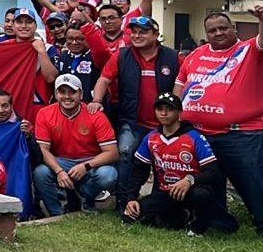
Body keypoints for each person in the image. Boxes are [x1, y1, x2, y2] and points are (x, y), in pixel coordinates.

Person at [176, 8, 263, 234]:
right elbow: (179, 87)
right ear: (206, 33)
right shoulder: (195, 55)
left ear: (233, 29)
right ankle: (219, 221)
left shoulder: (248, 49)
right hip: (198, 133)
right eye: (212, 30)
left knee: (251, 182)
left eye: (223, 28)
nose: (219, 33)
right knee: (207, 183)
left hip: (239, 134)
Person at [90, 15, 179, 214]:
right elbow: (104, 79)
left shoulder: (173, 57)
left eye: (143, 31)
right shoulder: (122, 55)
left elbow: (184, 82)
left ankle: (159, 203)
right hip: (131, 121)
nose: (137, 35)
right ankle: (123, 202)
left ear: (156, 34)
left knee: (162, 162)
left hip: (164, 123)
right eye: (134, 32)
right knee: (125, 155)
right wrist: (96, 101)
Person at [121, 93, 238, 236]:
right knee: (130, 216)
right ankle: (182, 217)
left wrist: (190, 180)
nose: (164, 113)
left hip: (193, 192)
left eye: (169, 109)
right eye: (160, 109)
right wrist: (132, 198)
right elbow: (139, 171)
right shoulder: (151, 138)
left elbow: (214, 173)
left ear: (179, 112)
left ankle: (197, 228)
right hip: (166, 193)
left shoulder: (195, 137)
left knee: (205, 200)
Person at [32, 74, 119, 216]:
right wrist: (59, 171)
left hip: (90, 159)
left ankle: (85, 196)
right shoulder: (45, 113)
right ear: (55, 94)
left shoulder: (95, 115)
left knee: (109, 175)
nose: (67, 96)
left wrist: (86, 166)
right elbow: (43, 150)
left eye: (72, 92)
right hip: (61, 159)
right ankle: (57, 213)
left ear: (81, 94)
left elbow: (112, 152)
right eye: (62, 92)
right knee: (40, 172)